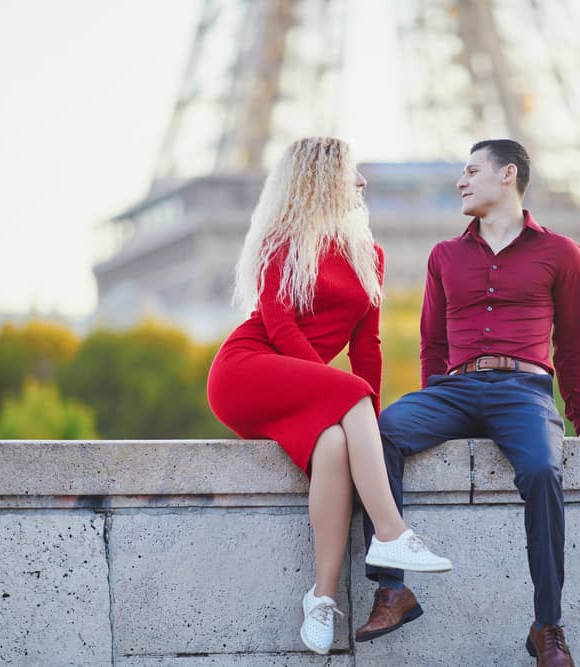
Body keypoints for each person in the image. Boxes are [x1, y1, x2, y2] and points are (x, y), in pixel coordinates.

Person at [357, 139, 580, 666]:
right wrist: (431, 402)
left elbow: (573, 341)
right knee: (382, 433)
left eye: (470, 171)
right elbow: (432, 344)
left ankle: (547, 626)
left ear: (508, 174)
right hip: (454, 389)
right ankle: (392, 590)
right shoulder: (444, 256)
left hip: (523, 392)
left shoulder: (561, 253)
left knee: (541, 473)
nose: (461, 181)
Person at [207, 137, 452, 656]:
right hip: (248, 369)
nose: (362, 183)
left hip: (307, 387)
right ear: (320, 180)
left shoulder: (370, 256)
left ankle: (319, 599)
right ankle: (390, 530)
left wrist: (369, 429)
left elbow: (369, 349)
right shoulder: (282, 242)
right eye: (352, 173)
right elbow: (278, 326)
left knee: (337, 448)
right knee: (350, 397)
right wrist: (341, 396)